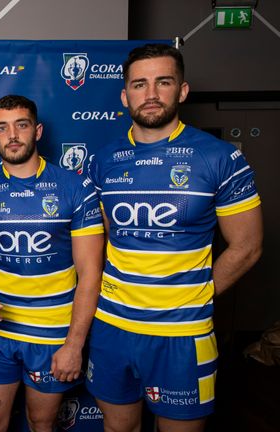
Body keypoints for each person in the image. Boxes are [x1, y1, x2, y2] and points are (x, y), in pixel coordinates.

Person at [85, 43, 263, 432]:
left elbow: (248, 247)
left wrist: (195, 294)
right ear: (124, 95)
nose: (150, 95)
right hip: (112, 327)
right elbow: (101, 242)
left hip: (182, 335)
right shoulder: (103, 161)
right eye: (139, 84)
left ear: (182, 90)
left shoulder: (219, 158)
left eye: (162, 82)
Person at [0, 95, 104, 432]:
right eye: (2, 128)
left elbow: (91, 274)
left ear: (38, 131)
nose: (12, 135)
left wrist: (74, 344)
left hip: (53, 335)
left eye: (22, 125)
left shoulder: (75, 188)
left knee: (41, 423)